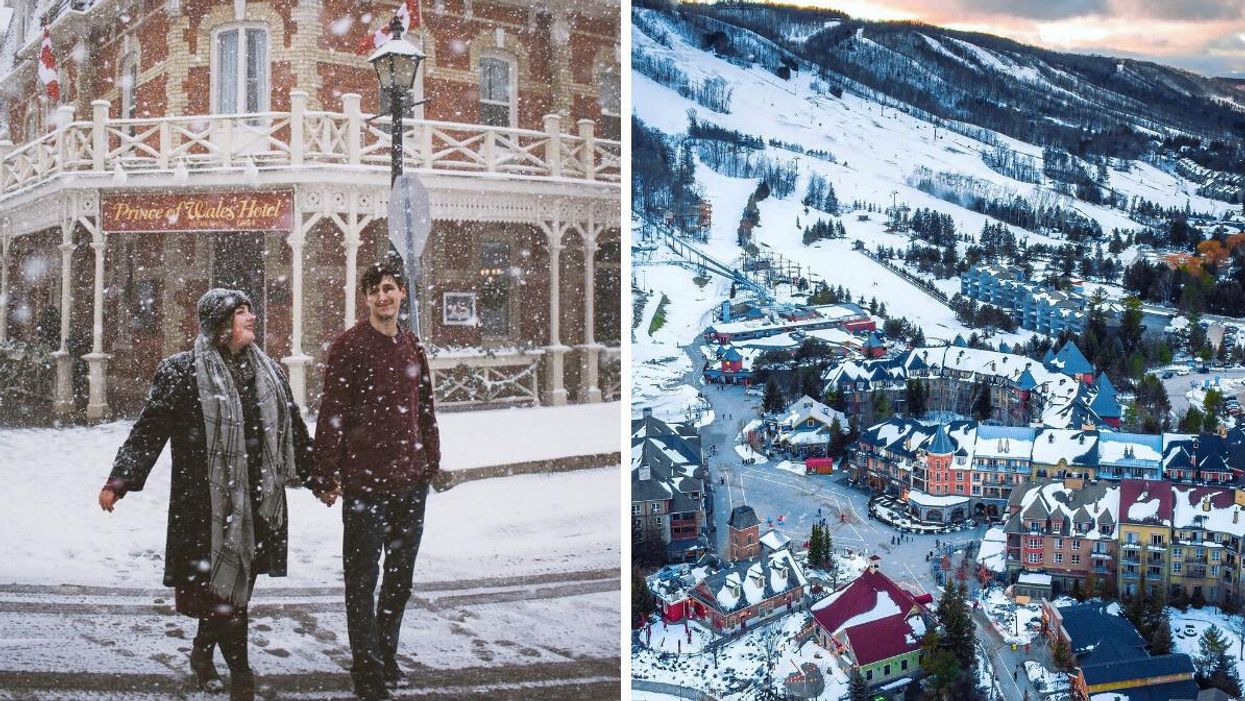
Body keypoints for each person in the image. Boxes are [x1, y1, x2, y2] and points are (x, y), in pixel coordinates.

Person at [98, 289, 313, 701]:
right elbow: (149, 429)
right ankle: (243, 679)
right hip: (204, 508)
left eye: (250, 309)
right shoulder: (181, 372)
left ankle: (201, 652)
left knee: (234, 591)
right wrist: (119, 480)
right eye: (240, 312)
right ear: (219, 326)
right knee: (226, 599)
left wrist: (319, 479)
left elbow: (295, 431)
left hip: (256, 507)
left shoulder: (268, 373)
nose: (251, 317)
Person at [312, 260, 453, 701]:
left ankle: (385, 652)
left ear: (402, 295)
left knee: (399, 577)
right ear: (366, 298)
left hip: (409, 483)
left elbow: (424, 409)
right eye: (375, 291)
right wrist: (325, 473)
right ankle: (366, 669)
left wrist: (431, 459)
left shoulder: (412, 346)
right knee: (361, 577)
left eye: (390, 289)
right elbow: (331, 413)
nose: (383, 297)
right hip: (364, 484)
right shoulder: (349, 347)